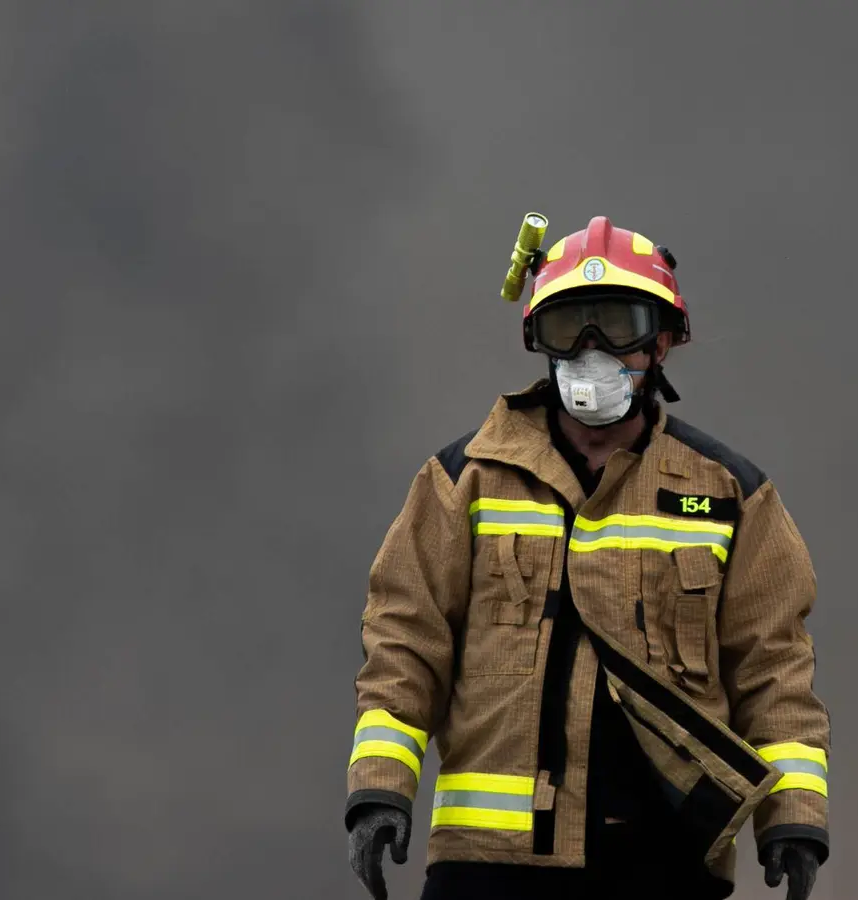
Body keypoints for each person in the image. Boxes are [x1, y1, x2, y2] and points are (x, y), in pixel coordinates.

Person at [344, 215, 830, 900]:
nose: (593, 351)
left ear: (660, 343)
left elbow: (772, 668)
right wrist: (379, 791)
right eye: (572, 326)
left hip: (667, 867)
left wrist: (794, 819)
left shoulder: (730, 495)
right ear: (539, 340)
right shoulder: (464, 482)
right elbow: (404, 643)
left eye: (618, 324)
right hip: (489, 868)